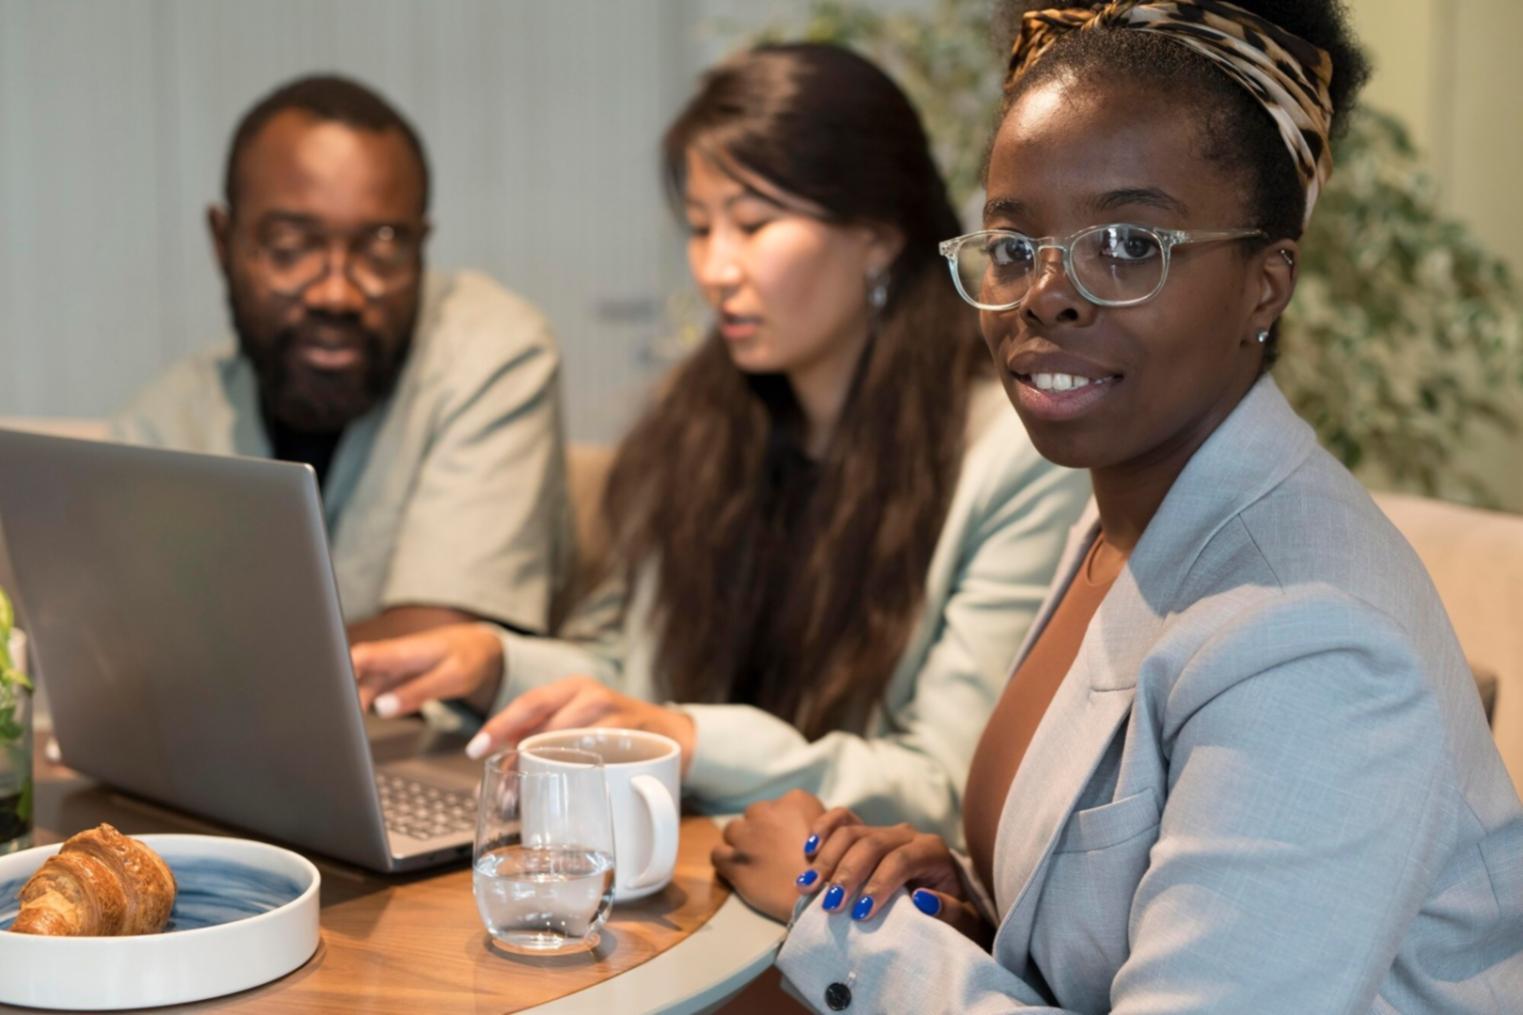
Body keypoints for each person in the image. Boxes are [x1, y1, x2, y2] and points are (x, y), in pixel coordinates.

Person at [717, 3, 1523, 1010]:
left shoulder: (1314, 644)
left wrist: (840, 925)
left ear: (1264, 285)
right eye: (1012, 244)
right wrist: (959, 911)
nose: (1044, 293)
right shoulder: (1116, 521)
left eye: (1127, 243)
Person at [349, 44, 1090, 837]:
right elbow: (633, 678)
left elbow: (944, 789)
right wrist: (498, 663)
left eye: (753, 224)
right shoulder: (701, 427)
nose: (714, 268)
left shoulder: (1013, 457)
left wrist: (690, 739)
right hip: (683, 861)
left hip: (843, 904)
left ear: (875, 235)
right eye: (700, 228)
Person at [112, 75, 571, 644]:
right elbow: (117, 649)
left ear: (421, 246)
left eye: (381, 249)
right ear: (223, 241)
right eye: (289, 247)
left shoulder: (494, 353)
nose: (337, 294)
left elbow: (441, 651)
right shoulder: (163, 420)